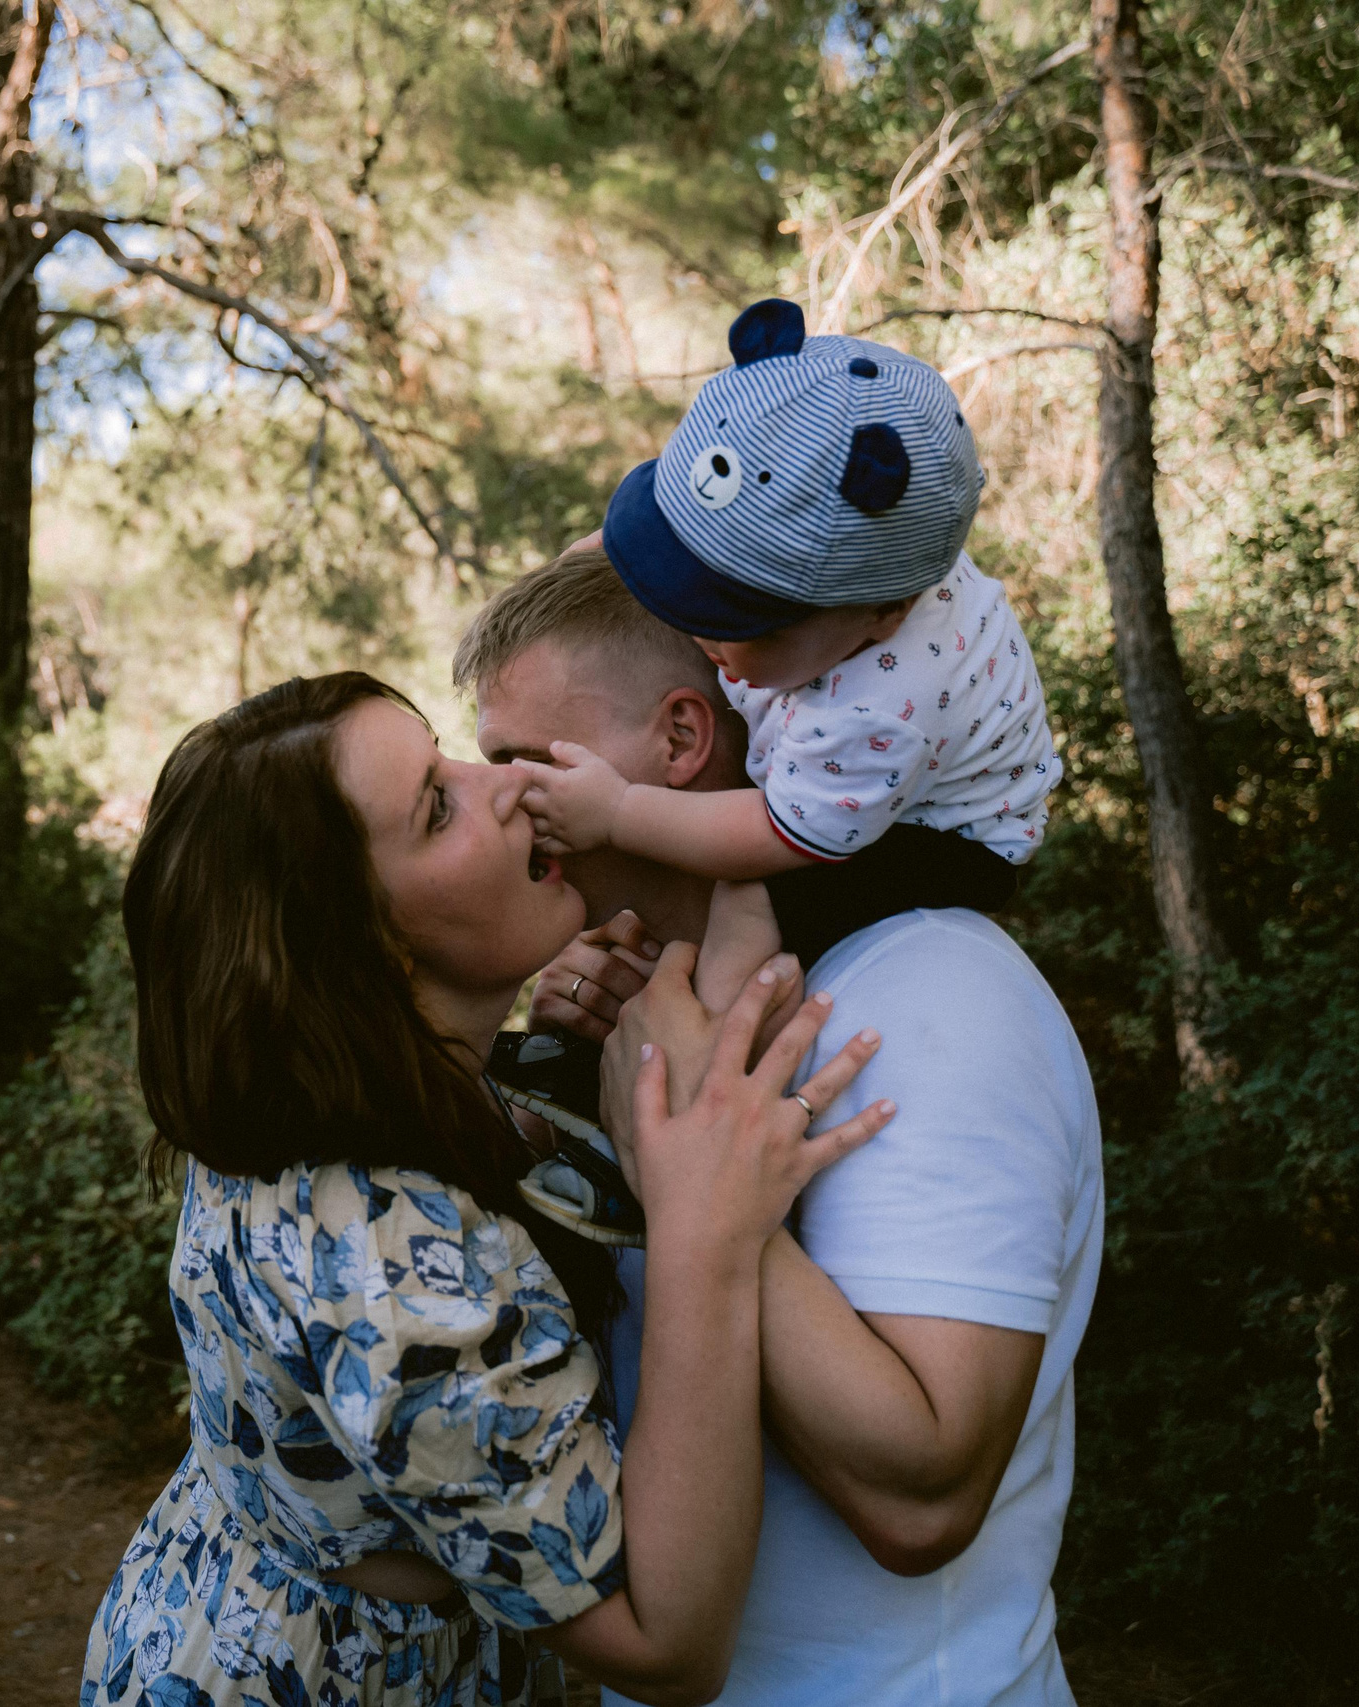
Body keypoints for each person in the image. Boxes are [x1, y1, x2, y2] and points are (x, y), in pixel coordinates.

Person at [80, 672, 895, 1707]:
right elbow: (663, 1643)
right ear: (361, 947)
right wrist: (706, 1232)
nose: (502, 784)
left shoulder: (320, 1101)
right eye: (436, 805)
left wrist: (556, 1047)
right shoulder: (387, 1265)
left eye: (450, 754)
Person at [456, 546, 1106, 1707]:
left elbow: (925, 1499)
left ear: (679, 739)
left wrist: (687, 1151)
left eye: (522, 759)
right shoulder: (672, 1013)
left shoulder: (934, 999)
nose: (502, 797)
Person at [512, 299, 1062, 997]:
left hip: (945, 835)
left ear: (883, 616)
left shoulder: (875, 713)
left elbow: (774, 831)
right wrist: (605, 558)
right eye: (688, 579)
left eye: (745, 620)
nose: (705, 631)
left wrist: (617, 812)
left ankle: (704, 1047)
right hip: (879, 734)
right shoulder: (863, 562)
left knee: (749, 896)